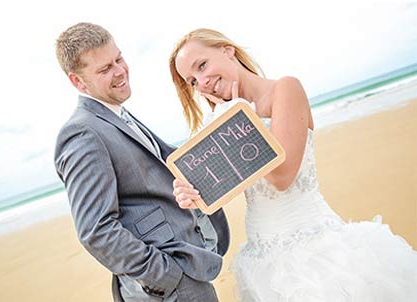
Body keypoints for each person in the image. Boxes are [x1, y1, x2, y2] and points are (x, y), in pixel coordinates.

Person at [169, 28, 417, 301]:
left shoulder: (284, 89)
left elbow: (282, 176)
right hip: (263, 260)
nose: (202, 82)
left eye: (202, 65)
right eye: (192, 81)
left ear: (227, 50)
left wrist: (240, 119)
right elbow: (221, 186)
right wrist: (192, 194)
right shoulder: (223, 120)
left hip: (316, 250)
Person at [53, 22, 230, 302]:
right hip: (169, 287)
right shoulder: (82, 133)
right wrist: (167, 276)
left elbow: (167, 167)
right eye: (104, 69)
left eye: (118, 59)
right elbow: (95, 230)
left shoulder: (116, 114)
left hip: (186, 271)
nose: (120, 71)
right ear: (78, 81)